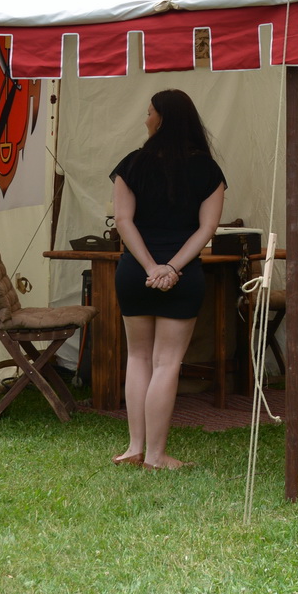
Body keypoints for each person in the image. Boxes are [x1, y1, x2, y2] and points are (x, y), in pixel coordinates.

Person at [109, 89, 226, 470]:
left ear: (161, 120)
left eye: (149, 113)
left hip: (134, 274)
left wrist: (148, 267)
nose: (145, 120)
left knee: (138, 357)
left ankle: (134, 448)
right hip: (183, 275)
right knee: (166, 363)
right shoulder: (208, 170)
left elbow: (123, 222)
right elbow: (208, 228)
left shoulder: (130, 164)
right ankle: (157, 456)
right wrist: (171, 268)